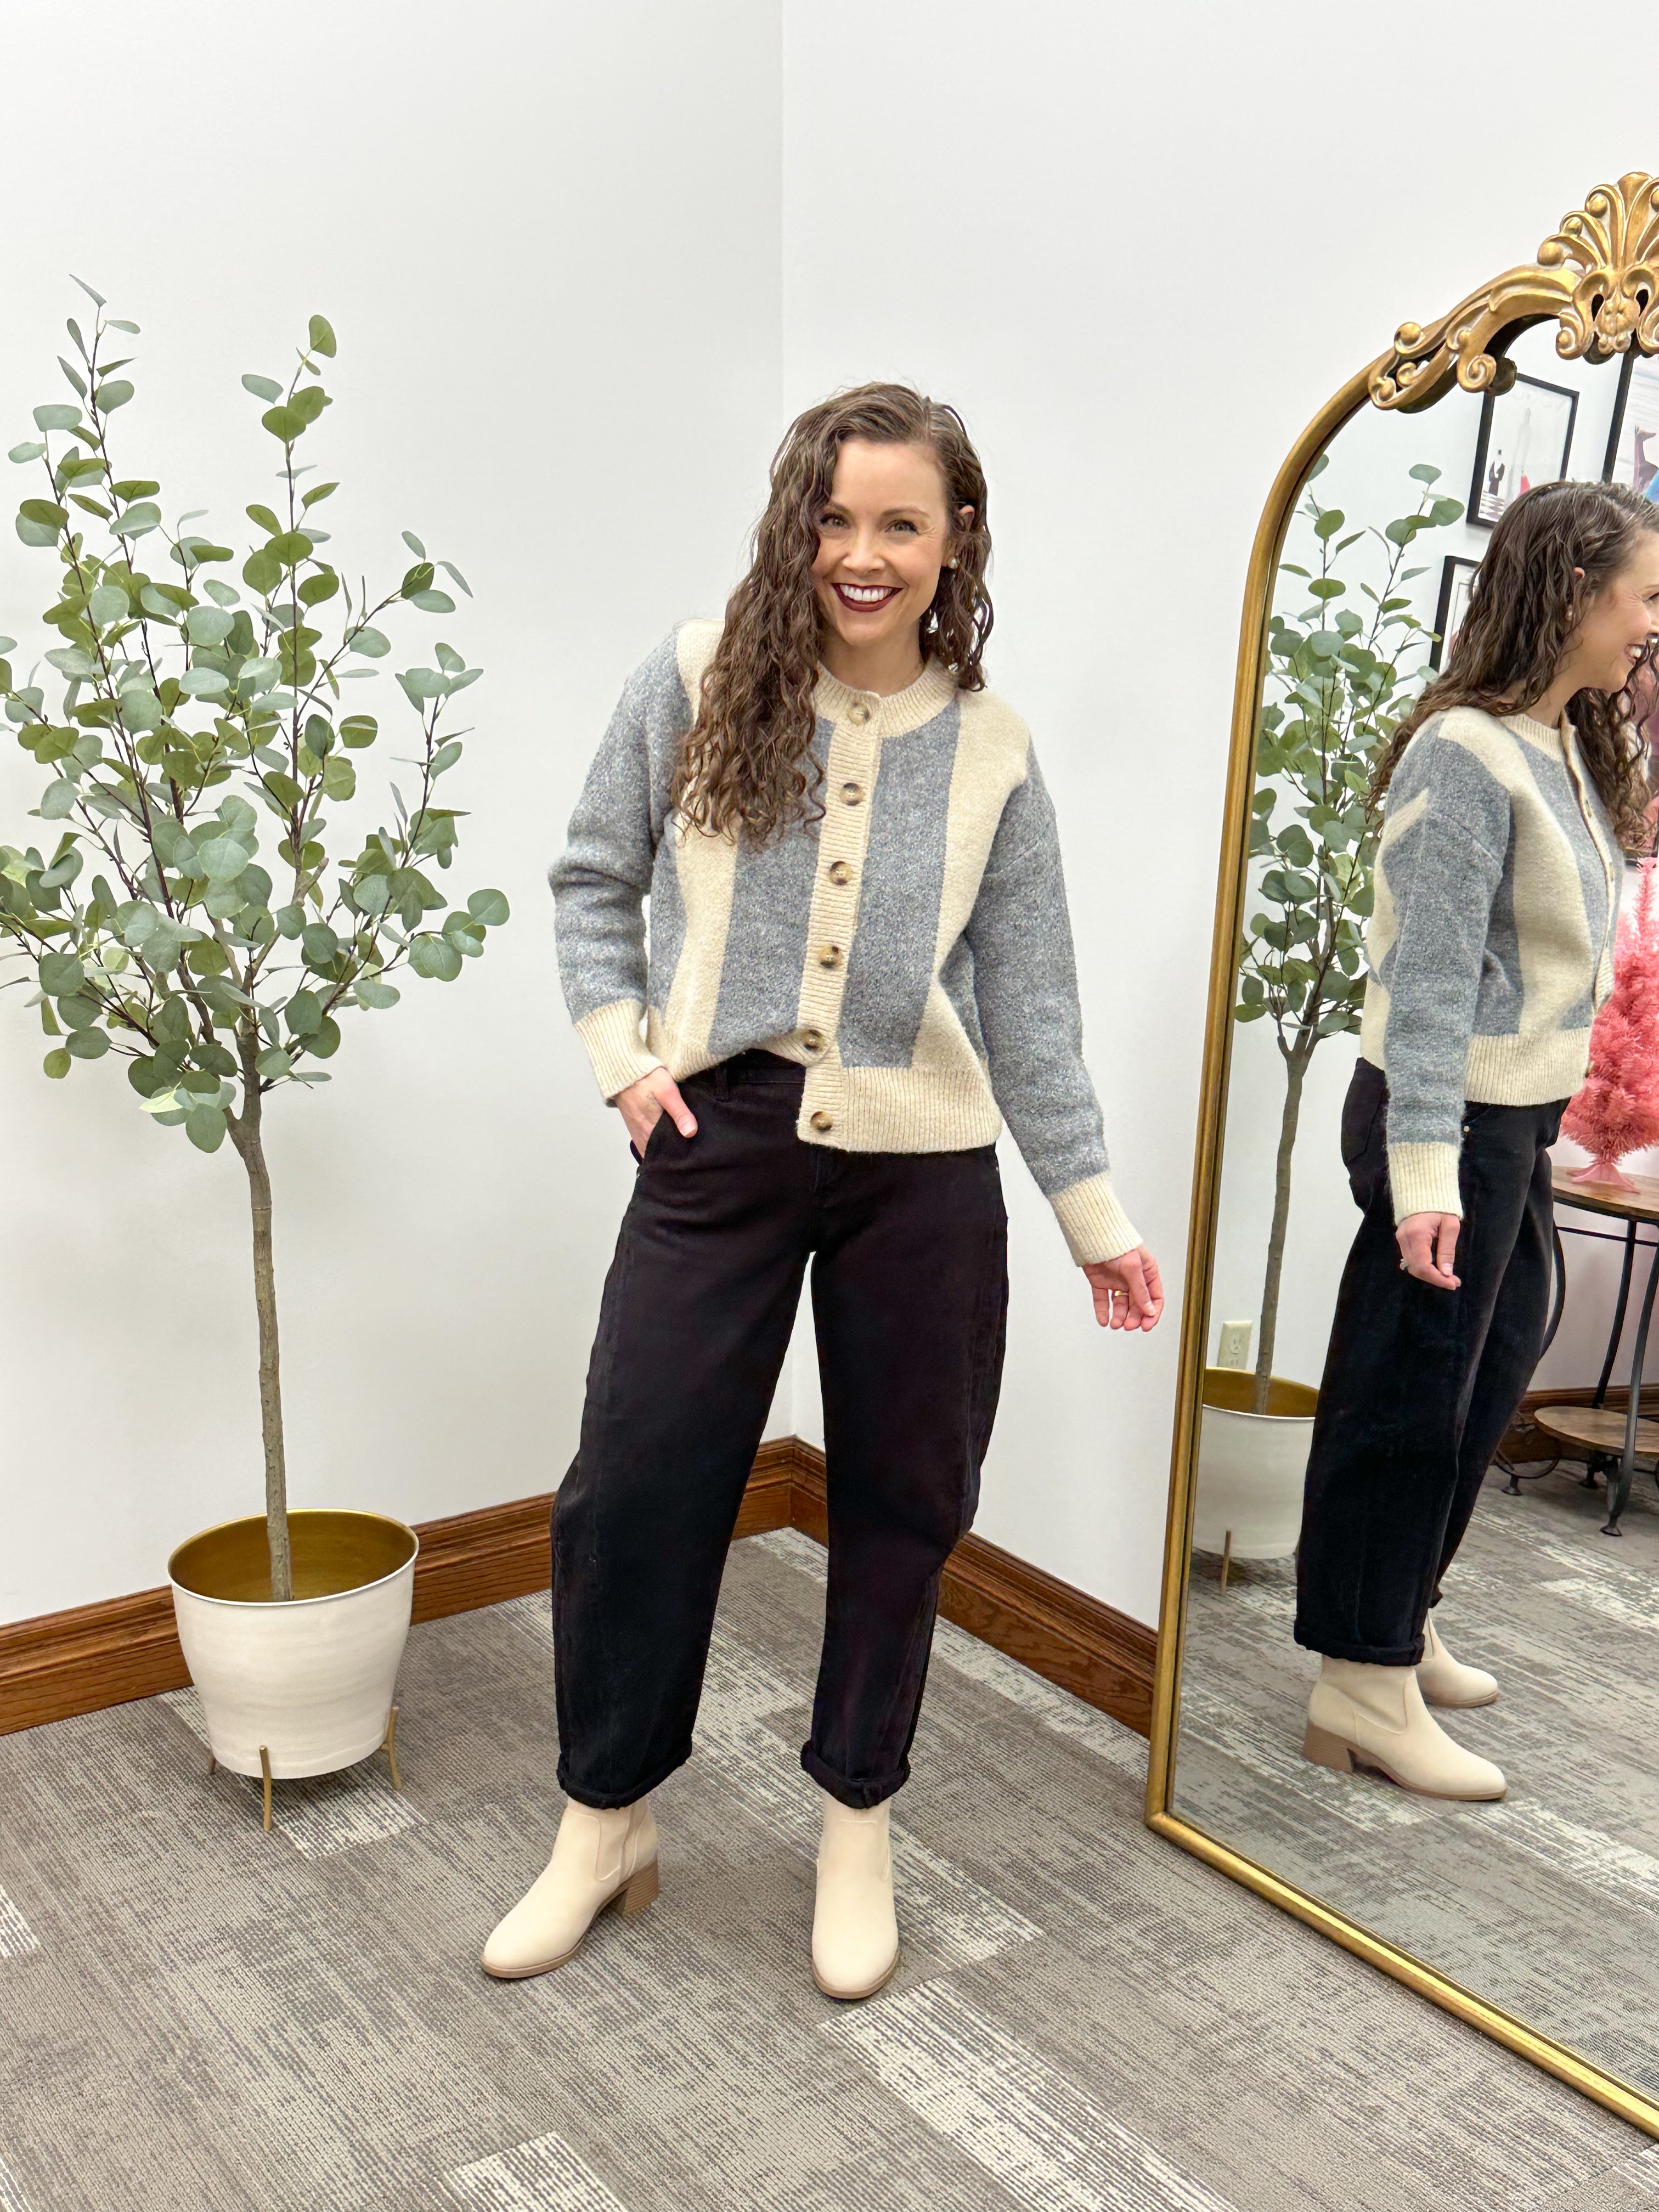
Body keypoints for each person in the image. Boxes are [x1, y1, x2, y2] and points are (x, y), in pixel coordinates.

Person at [481, 383, 1162, 1999]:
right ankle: (607, 1819)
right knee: (637, 1481)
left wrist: (1093, 1215)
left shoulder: (994, 751)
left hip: (921, 1173)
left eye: (901, 524)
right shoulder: (707, 671)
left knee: (906, 1502)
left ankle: (857, 1821)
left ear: (955, 541)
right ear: (803, 524)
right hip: (716, 1143)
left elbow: (1031, 1001)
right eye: (838, 520)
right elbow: (594, 872)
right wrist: (623, 1053)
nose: (863, 555)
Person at [1294, 479, 1659, 1802]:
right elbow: (1436, 980)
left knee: (1488, 1369)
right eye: (1646, 598)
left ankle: (1401, 1616)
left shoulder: (1563, 741)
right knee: (1410, 1388)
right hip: (1438, 1115)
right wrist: (1428, 1176)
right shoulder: (1465, 753)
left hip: (1516, 1115)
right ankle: (1359, 1680)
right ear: (1575, 595)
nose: (1652, 626)